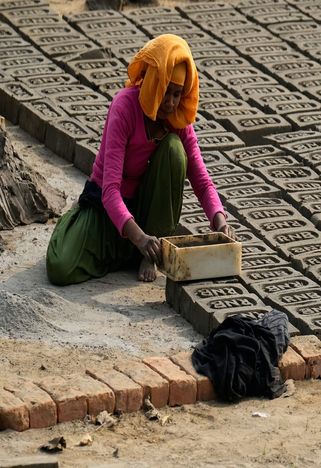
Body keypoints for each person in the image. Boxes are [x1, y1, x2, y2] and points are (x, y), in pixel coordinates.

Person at [46, 34, 234, 285]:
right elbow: (110, 190)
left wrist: (220, 224)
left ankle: (151, 251)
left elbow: (202, 181)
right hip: (108, 207)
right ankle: (113, 241)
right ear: (153, 81)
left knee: (175, 151)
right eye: (166, 91)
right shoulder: (124, 108)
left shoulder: (177, 121)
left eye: (177, 94)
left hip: (147, 213)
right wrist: (138, 238)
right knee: (60, 268)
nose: (170, 102)